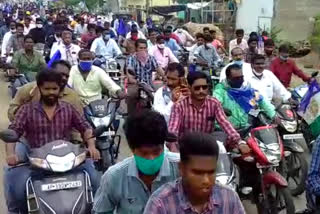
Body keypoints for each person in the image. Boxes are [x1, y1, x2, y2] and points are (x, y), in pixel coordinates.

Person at [3, 69, 101, 213]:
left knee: (95, 178)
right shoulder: (26, 110)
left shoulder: (68, 109)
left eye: (54, 89)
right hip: (38, 163)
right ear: (39, 88)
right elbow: (13, 131)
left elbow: (85, 127)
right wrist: (11, 154)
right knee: (16, 186)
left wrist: (92, 146)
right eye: (46, 89)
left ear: (59, 89)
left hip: (68, 161)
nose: (50, 92)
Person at [93, 109, 180, 214]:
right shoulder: (114, 176)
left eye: (156, 152)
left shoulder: (180, 168)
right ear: (132, 149)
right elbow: (101, 211)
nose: (151, 158)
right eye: (144, 153)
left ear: (163, 146)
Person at [144, 132, 246, 214]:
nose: (206, 180)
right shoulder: (160, 204)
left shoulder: (229, 198)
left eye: (211, 172)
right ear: (182, 168)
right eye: (198, 173)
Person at [168, 71, 250, 153]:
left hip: (206, 147)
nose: (201, 91)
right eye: (197, 88)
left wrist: (240, 142)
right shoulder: (179, 105)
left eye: (204, 87)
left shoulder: (214, 103)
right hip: (184, 148)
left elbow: (225, 124)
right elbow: (172, 131)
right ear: (189, 87)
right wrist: (174, 149)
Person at [213, 63, 276, 129]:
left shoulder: (248, 89)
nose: (240, 80)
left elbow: (262, 101)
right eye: (236, 78)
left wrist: (274, 116)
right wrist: (221, 109)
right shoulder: (220, 91)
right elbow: (215, 104)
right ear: (228, 79)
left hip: (248, 128)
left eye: (241, 77)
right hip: (229, 129)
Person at [126, 39, 165, 115]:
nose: (143, 50)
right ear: (136, 48)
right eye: (140, 48)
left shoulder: (151, 58)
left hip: (149, 85)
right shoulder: (131, 59)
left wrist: (165, 77)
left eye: (144, 48)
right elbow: (129, 73)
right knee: (131, 96)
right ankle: (130, 117)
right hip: (136, 84)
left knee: (158, 97)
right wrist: (133, 80)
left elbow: (159, 69)